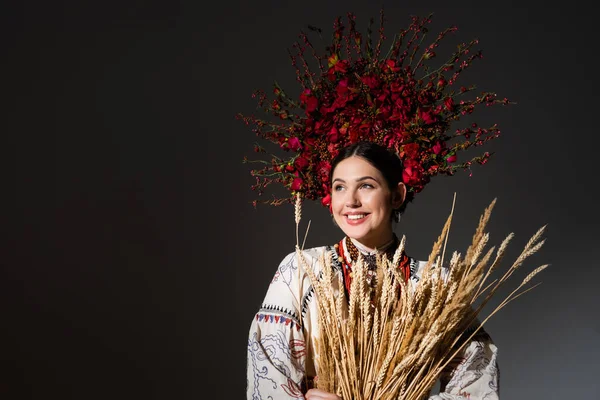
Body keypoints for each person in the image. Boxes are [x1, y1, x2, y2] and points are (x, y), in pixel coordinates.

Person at [246, 141, 499, 400]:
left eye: (366, 186)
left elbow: (477, 384)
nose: (351, 201)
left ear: (397, 195)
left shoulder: (435, 282)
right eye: (340, 187)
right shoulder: (301, 270)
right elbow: (268, 382)